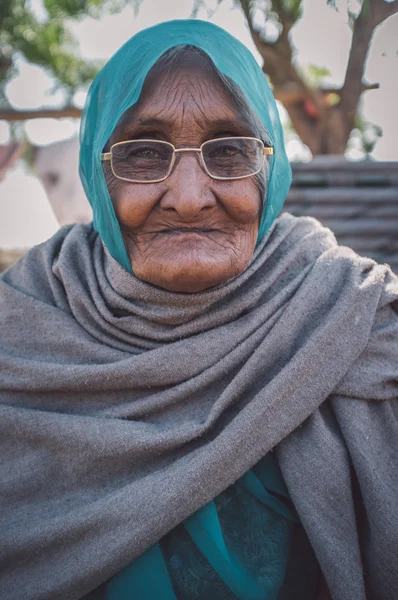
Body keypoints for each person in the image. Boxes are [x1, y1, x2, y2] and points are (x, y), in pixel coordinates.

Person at [1, 19, 397, 600]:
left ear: (272, 168)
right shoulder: (21, 329)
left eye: (231, 151)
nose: (189, 198)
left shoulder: (360, 324)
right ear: (95, 170)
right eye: (141, 153)